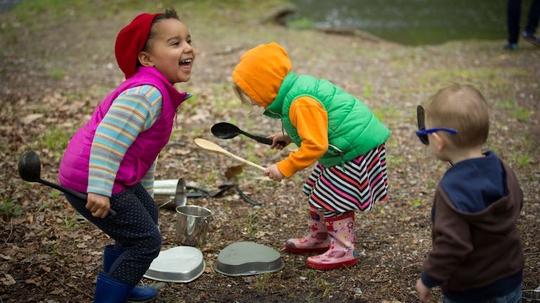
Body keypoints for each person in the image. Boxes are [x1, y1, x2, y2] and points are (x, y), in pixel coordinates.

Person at [58, 8, 194, 302]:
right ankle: (109, 298)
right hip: (90, 177)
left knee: (148, 217)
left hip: (110, 174)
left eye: (188, 40)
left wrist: (143, 195)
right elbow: (107, 141)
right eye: (174, 43)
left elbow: (144, 154)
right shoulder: (146, 94)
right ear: (146, 59)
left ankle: (125, 282)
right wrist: (99, 189)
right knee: (146, 241)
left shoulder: (158, 91)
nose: (188, 48)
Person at [231, 42, 390, 270]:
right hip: (345, 144)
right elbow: (317, 126)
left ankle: (343, 249)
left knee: (334, 197)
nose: (253, 102)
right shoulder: (296, 91)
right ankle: (321, 237)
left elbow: (315, 144)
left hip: (353, 149)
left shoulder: (300, 102)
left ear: (266, 85)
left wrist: (284, 167)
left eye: (252, 94)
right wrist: (288, 137)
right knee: (318, 190)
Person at [414, 84, 524, 303]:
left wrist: (428, 278)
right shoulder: (503, 169)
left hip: (470, 289)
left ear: (437, 141)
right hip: (510, 279)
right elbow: (517, 203)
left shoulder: (451, 189)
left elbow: (452, 244)